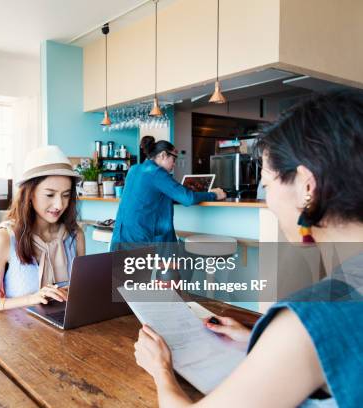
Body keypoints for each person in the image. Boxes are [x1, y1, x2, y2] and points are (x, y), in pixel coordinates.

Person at [133, 90, 363, 407]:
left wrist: (160, 369)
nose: (268, 202)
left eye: (266, 184)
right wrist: (259, 342)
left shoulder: (308, 321)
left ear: (307, 187)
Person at [0, 145, 86, 313]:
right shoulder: (3, 238)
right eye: (50, 195)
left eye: (65, 195)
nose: (59, 205)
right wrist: (32, 298)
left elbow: (81, 289)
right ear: (29, 194)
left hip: (68, 329)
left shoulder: (75, 235)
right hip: (20, 334)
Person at [111, 138, 226, 250]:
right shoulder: (156, 172)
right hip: (140, 238)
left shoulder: (134, 169)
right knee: (179, 261)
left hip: (120, 235)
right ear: (163, 155)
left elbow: (149, 195)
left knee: (124, 268)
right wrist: (214, 194)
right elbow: (188, 198)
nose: (175, 164)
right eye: (174, 159)